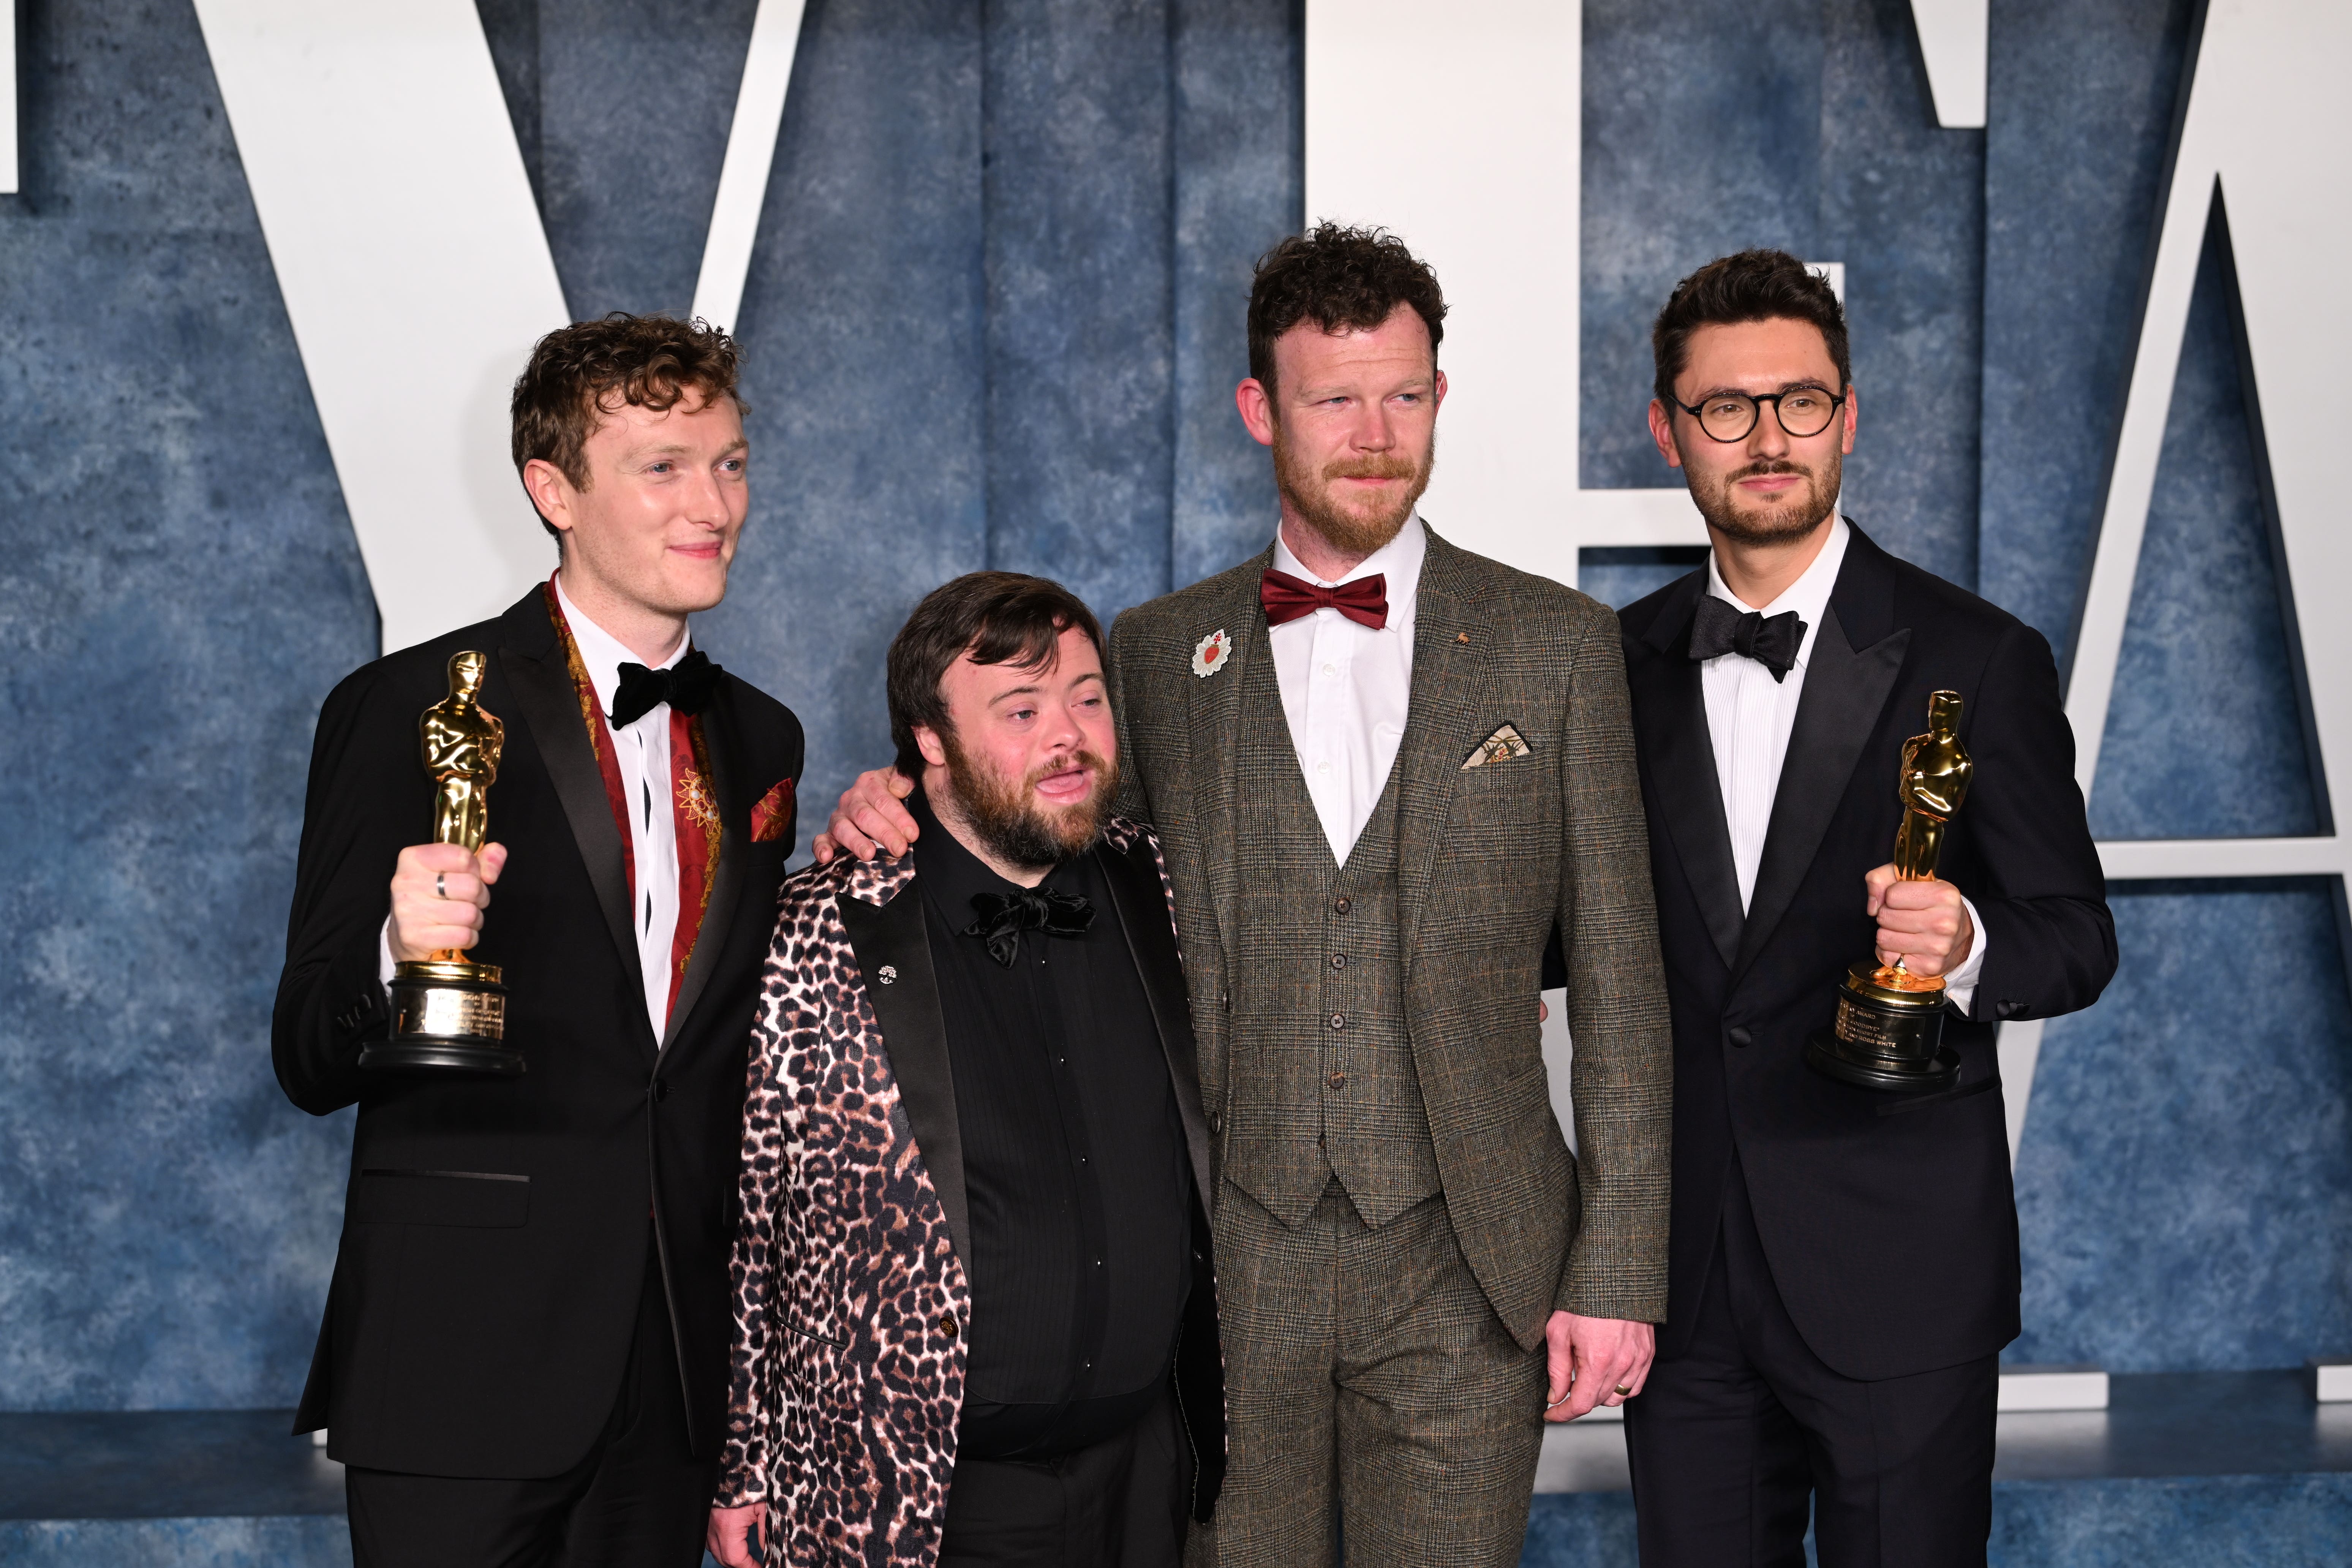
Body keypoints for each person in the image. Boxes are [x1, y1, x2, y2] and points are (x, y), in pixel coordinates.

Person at [819, 225, 1673, 1568]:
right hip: (1221, 1257)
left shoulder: (1555, 647)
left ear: (1442, 395)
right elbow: (1052, 847)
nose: (1376, 431)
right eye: (1335, 398)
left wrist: (1618, 1270)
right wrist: (900, 798)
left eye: (1404, 392)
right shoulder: (1157, 651)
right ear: (1260, 410)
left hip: (1476, 1259)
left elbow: (1622, 981)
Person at [272, 313, 806, 1567]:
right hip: (462, 1361)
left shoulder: (762, 739)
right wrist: (400, 957)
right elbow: (305, 1053)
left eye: (728, 462)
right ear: (553, 490)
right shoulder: (407, 706)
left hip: (681, 1371)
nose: (713, 502)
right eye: (663, 468)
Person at [1610, 249, 2115, 1565]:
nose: (1767, 438)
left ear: (1850, 415)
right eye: (1727, 407)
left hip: (1900, 1278)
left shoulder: (1979, 656)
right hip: (1685, 1285)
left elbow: (2077, 934)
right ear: (1668, 431)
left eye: (1801, 401)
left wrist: (1968, 945)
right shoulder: (1610, 668)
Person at [706, 572, 1223, 1568]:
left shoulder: (1164, 885)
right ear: (928, 741)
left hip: (1146, 1480)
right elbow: (750, 1218)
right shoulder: (820, 924)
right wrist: (744, 1462)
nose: (1069, 735)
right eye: (1021, 710)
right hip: (914, 1497)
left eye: (1086, 696)